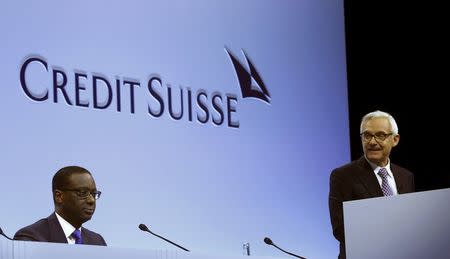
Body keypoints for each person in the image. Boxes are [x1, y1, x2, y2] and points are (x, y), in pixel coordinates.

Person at [328, 110, 414, 259]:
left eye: (380, 135)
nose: (372, 142)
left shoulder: (406, 177)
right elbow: (340, 229)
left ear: (395, 139)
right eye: (367, 135)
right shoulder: (342, 176)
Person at [14, 166, 107, 246]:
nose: (91, 200)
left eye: (93, 194)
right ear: (59, 196)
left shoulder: (97, 242)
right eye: (83, 193)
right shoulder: (32, 238)